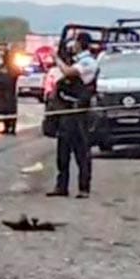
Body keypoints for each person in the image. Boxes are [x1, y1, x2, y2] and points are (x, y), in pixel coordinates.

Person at [47, 33, 98, 199]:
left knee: (81, 151)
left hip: (78, 113)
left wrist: (57, 59)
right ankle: (61, 186)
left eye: (75, 42)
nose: (72, 45)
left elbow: (69, 72)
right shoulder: (76, 59)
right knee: (63, 151)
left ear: (81, 43)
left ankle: (84, 188)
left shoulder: (88, 62)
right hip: (66, 110)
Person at [0, 46, 22, 135]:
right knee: (5, 110)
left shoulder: (14, 68)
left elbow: (18, 74)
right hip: (3, 92)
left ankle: (12, 128)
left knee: (11, 110)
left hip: (11, 93)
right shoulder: (1, 67)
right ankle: (6, 127)